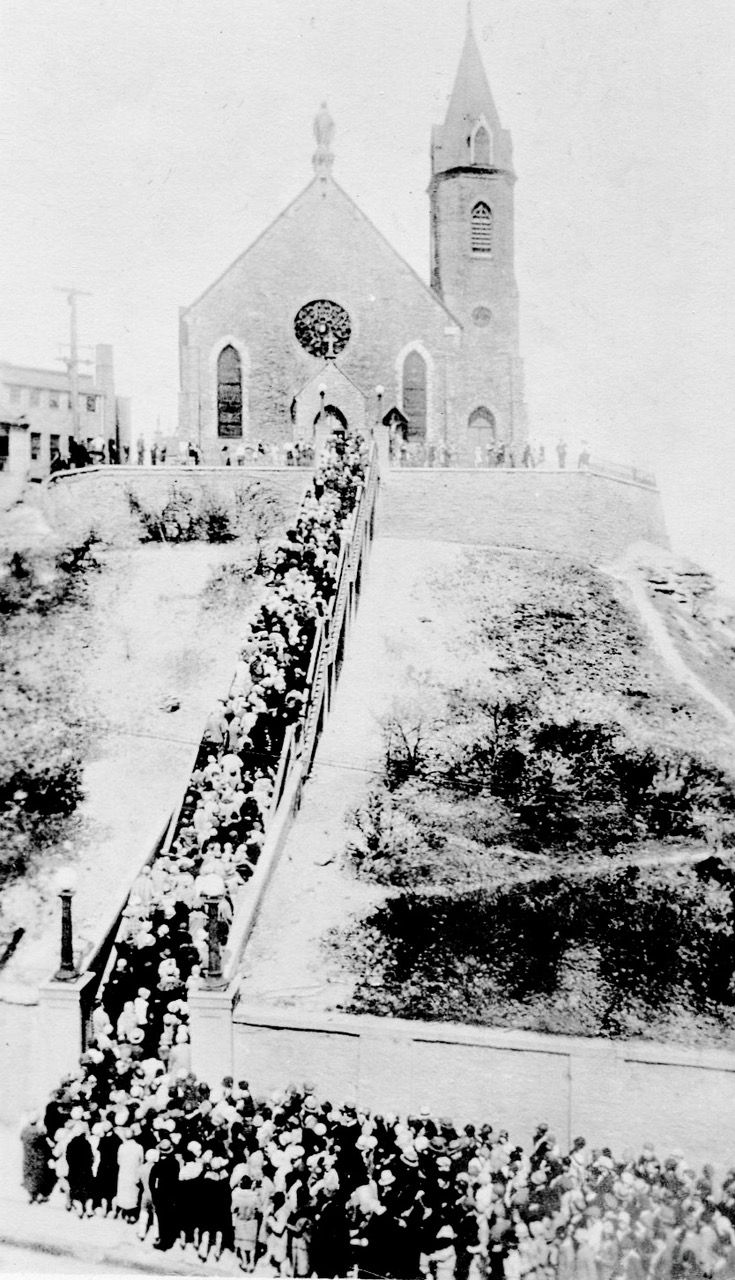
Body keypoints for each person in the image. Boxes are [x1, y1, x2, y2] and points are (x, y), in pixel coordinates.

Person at [149, 1138, 180, 1250]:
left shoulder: (158, 1164)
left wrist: (154, 1193)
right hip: (171, 1194)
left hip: (160, 1194)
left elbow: (151, 1181)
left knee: (162, 1218)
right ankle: (169, 1239)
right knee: (169, 1217)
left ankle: (163, 1241)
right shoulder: (175, 1163)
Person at [20, 1116, 55, 1204]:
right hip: (39, 1157)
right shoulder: (40, 1132)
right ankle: (40, 1194)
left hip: (28, 1157)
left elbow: (21, 1138)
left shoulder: (25, 1131)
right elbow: (45, 1144)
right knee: (38, 1175)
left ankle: (32, 1194)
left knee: (29, 1174)